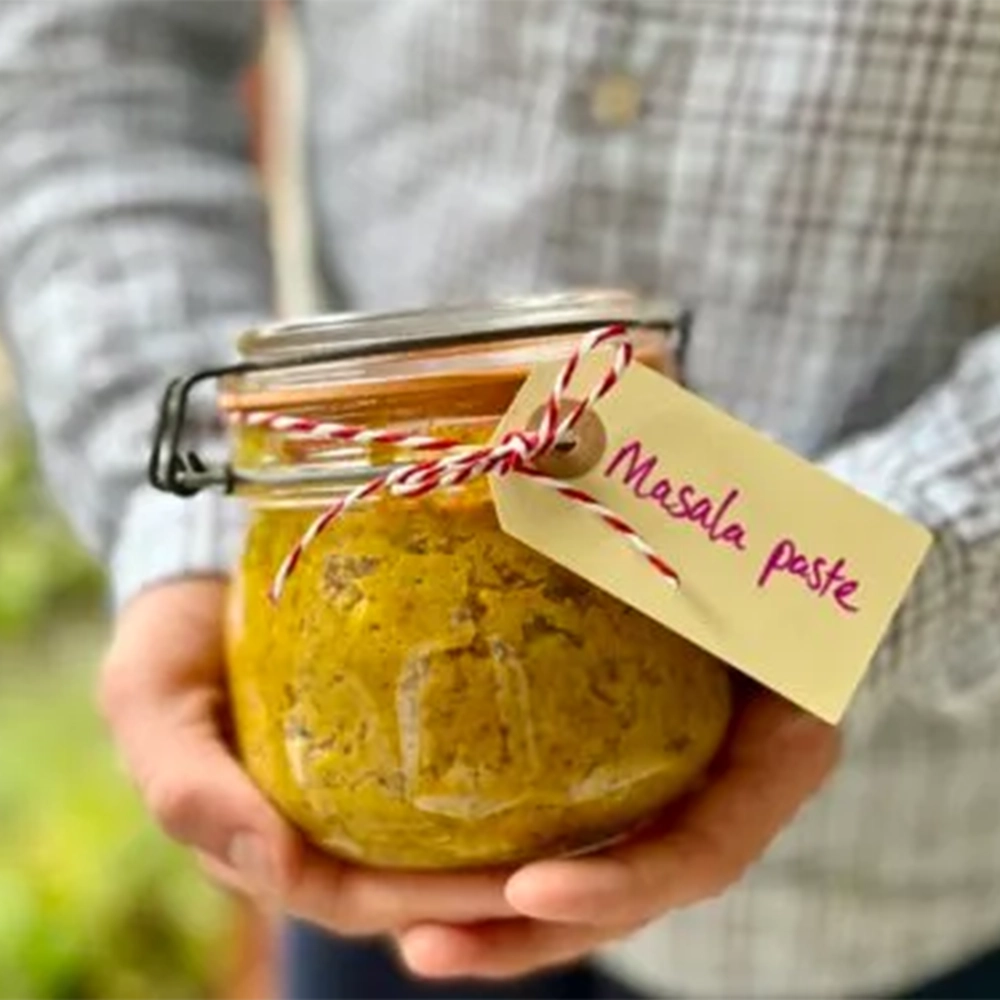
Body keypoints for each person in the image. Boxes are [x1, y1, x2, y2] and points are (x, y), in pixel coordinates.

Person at [2, 2, 1000, 998]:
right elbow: (90, 48)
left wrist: (879, 573)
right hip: (368, 894)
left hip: (919, 859)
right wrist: (182, 531)